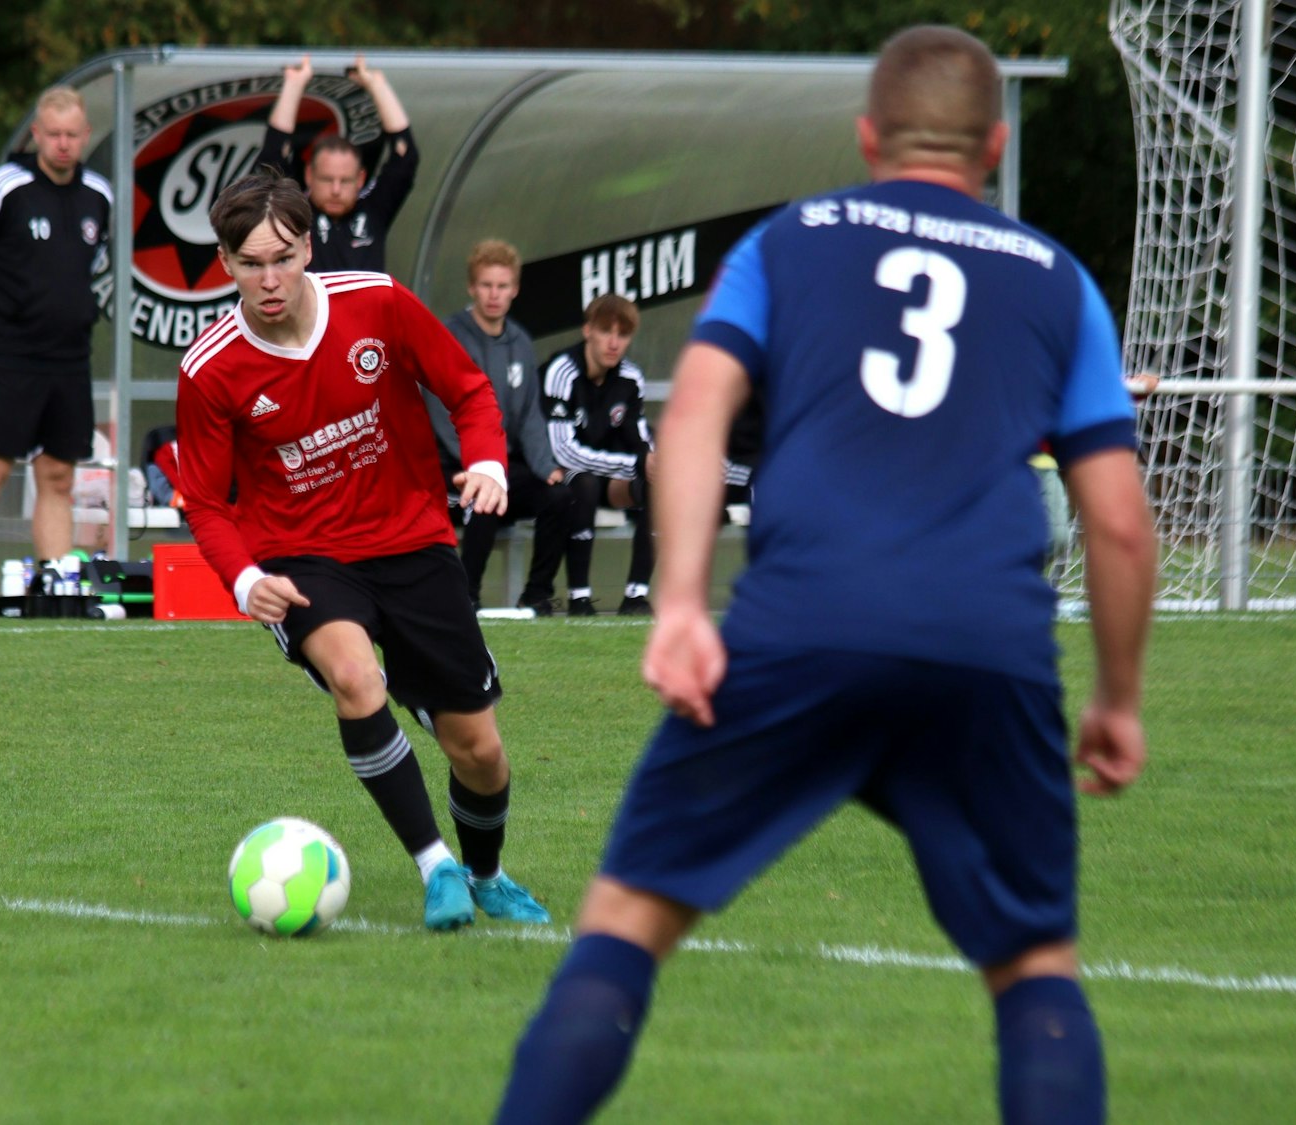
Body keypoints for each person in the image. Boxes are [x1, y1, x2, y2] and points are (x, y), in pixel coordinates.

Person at [493, 26, 1157, 1125]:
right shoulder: (1056, 282)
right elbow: (1120, 527)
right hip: (981, 645)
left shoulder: (788, 243)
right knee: (1035, 969)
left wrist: (682, 607)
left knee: (623, 922)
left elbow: (695, 415)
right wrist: (1118, 699)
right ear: (990, 147)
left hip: (799, 626)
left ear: (865, 137)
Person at [175, 168, 550, 931]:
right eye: (251, 263)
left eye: (283, 256)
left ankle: (486, 872)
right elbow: (209, 502)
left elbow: (470, 391)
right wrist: (246, 580)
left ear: (309, 247)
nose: (269, 278)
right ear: (226, 265)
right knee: (356, 677)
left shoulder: (377, 303)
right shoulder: (210, 368)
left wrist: (484, 460)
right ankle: (435, 865)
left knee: (478, 748)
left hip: (412, 540)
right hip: (303, 556)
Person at [0, 84, 112, 617]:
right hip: (13, 354)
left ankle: (55, 594)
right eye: (53, 134)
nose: (63, 144)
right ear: (37, 134)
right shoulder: (5, 187)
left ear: (85, 136)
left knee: (57, 477)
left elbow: (98, 266)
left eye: (72, 135)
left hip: (70, 357)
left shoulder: (99, 196)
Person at [427, 239, 572, 611]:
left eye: (503, 286)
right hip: (455, 467)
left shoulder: (521, 342)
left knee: (558, 496)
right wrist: (480, 465)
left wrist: (545, 467)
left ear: (515, 290)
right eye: (487, 285)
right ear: (472, 288)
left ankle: (537, 595)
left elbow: (528, 416)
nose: (494, 295)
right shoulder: (450, 336)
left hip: (504, 467)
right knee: (485, 495)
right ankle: (466, 596)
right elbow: (440, 410)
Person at [541, 295, 655, 616]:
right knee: (584, 483)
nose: (614, 343)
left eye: (623, 335)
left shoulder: (631, 378)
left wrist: (652, 461)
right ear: (588, 330)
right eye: (606, 331)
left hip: (611, 476)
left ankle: (636, 596)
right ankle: (579, 597)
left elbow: (639, 436)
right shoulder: (561, 371)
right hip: (560, 475)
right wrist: (634, 463)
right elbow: (563, 451)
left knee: (656, 483)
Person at [257, 55, 417, 275]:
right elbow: (273, 157)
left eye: (345, 181)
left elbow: (405, 156)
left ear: (360, 179)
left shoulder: (374, 211)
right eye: (327, 179)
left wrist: (376, 85)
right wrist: (294, 84)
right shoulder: (295, 212)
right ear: (310, 174)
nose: (335, 190)